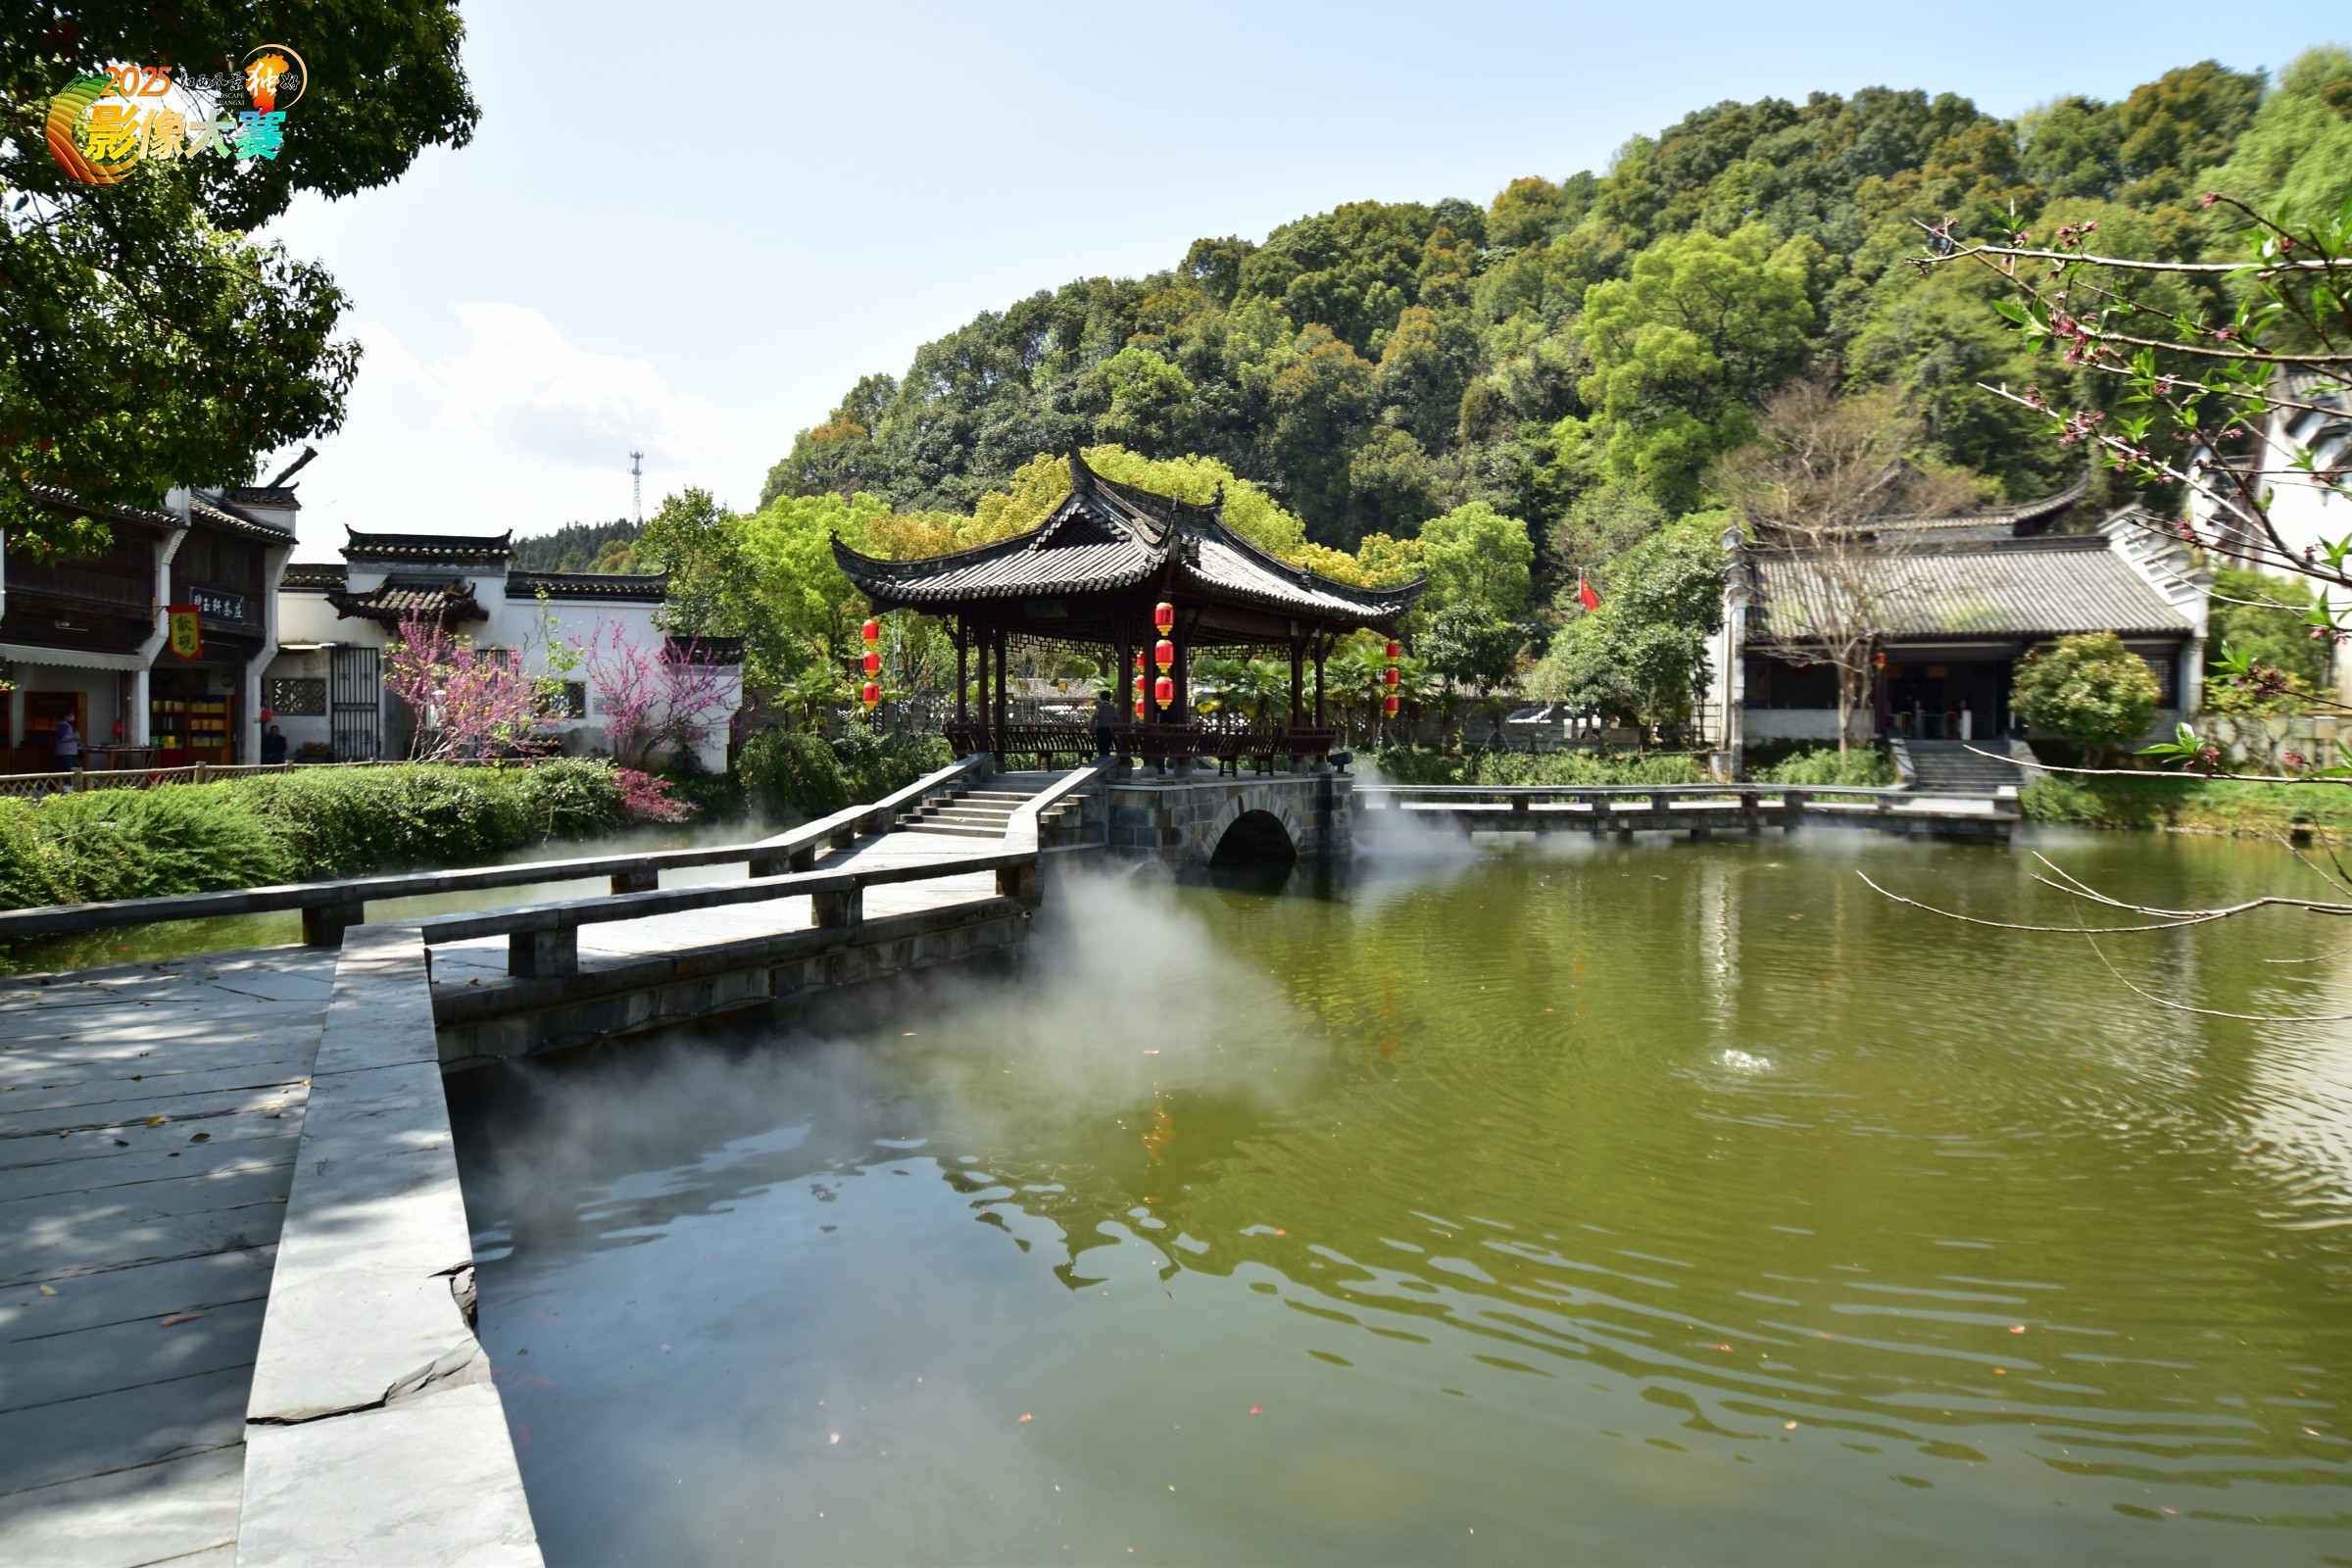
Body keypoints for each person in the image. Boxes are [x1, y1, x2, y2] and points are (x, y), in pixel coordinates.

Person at [1091, 690, 1117, 760]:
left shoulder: (1099, 707)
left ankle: (1102, 758)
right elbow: (1116, 718)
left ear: (1101, 698)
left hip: (1101, 728)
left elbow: (1094, 717)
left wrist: (1090, 728)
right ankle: (1106, 758)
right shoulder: (1112, 708)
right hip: (1110, 729)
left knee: (1101, 745)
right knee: (1107, 745)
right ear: (1109, 698)